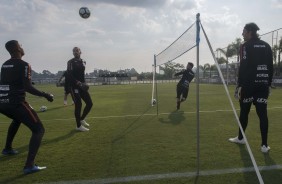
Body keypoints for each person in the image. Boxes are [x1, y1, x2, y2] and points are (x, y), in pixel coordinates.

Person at [0, 40, 54, 174]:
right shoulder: (24, 65)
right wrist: (46, 95)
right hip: (16, 103)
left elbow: (12, 81)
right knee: (39, 130)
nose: (23, 48)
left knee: (17, 119)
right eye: (21, 45)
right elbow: (27, 87)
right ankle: (29, 165)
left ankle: (7, 148)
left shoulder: (4, 64)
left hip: (2, 103)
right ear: (18, 48)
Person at [229, 23, 273, 153]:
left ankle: (241, 138)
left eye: (244, 31)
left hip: (248, 85)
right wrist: (269, 83)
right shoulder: (266, 45)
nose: (242, 34)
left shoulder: (245, 46)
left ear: (249, 32)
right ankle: (264, 145)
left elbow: (243, 66)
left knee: (244, 112)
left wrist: (238, 86)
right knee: (262, 114)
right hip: (263, 85)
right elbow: (270, 67)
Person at [67, 47, 93, 132]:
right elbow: (69, 75)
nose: (75, 52)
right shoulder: (70, 62)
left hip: (82, 86)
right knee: (78, 105)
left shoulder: (83, 61)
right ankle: (78, 126)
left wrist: (84, 83)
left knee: (89, 103)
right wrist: (78, 83)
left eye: (77, 51)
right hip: (73, 86)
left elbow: (82, 74)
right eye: (74, 51)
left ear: (80, 52)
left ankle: (81, 119)